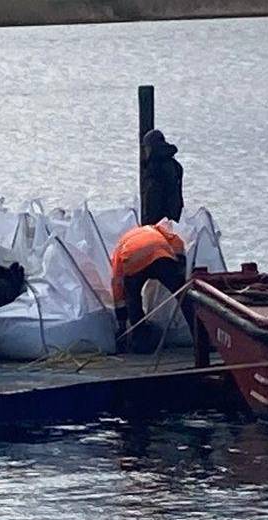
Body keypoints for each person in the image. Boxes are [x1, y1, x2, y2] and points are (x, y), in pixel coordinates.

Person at [110, 222, 188, 353]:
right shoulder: (155, 229)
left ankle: (140, 343)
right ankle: (200, 336)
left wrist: (122, 323)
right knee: (184, 297)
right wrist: (179, 264)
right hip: (161, 256)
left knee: (133, 300)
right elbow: (177, 241)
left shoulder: (120, 247)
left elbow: (118, 285)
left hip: (133, 260)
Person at [139, 129, 184, 227]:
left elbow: (152, 195)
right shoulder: (175, 166)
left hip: (157, 220)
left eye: (146, 147)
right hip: (172, 218)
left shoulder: (154, 167)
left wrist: (148, 222)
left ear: (151, 147)